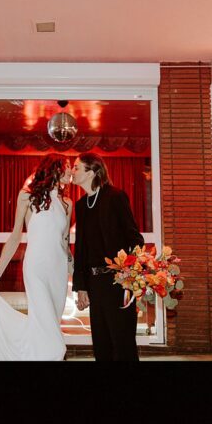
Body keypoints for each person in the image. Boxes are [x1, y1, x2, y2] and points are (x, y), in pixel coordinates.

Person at [0, 154, 73, 361]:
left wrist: (77, 279)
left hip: (57, 271)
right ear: (55, 169)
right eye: (67, 167)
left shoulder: (67, 203)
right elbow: (14, 238)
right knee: (53, 337)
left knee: (50, 324)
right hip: (36, 268)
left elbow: (64, 243)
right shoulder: (27, 196)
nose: (71, 171)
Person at [72, 153, 144, 362]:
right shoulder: (81, 205)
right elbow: (82, 250)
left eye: (76, 167)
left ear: (92, 172)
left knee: (122, 344)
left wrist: (128, 275)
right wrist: (81, 287)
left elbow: (135, 238)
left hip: (118, 281)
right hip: (95, 283)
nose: (72, 172)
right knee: (101, 345)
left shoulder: (115, 197)